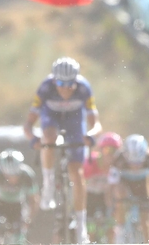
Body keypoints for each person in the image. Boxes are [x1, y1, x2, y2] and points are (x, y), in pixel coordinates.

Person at [23, 56, 102, 244]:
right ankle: (49, 184)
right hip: (51, 120)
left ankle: (81, 226)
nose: (65, 89)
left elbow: (96, 123)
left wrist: (90, 136)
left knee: (77, 173)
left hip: (75, 123)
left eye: (70, 84)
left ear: (76, 81)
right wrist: (34, 139)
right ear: (53, 80)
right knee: (48, 138)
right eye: (60, 83)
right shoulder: (45, 88)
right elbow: (28, 124)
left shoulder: (84, 88)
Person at [0, 149, 39, 245]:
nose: (11, 179)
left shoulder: (27, 175)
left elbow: (34, 200)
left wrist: (29, 219)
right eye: (7, 176)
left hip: (18, 206)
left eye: (14, 175)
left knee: (21, 237)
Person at [109, 134, 149, 243]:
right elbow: (112, 184)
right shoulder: (118, 158)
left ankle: (148, 240)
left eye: (139, 163)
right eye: (132, 163)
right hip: (125, 184)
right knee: (120, 196)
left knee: (145, 222)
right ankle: (120, 228)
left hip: (142, 184)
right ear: (126, 156)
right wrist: (113, 204)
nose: (135, 166)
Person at [84, 132, 121, 243]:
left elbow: (114, 190)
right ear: (100, 150)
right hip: (88, 196)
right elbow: (80, 186)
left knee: (111, 229)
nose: (109, 154)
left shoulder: (117, 166)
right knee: (90, 230)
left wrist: (114, 209)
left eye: (113, 151)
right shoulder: (90, 163)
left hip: (105, 197)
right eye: (106, 150)